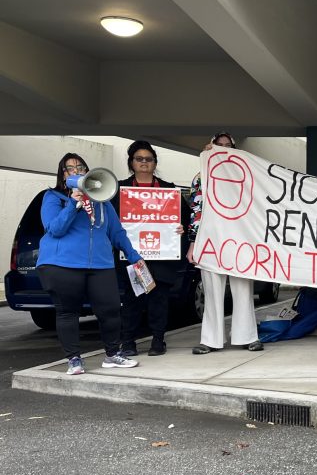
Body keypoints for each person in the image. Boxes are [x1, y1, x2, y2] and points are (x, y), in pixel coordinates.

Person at [37, 152, 142, 375]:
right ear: (63, 174)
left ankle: (113, 355)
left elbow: (117, 232)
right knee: (68, 312)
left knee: (111, 309)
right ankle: (74, 359)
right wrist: (73, 205)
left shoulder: (102, 200)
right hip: (62, 264)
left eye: (81, 167)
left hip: (100, 263)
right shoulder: (53, 197)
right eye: (70, 168)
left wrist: (134, 256)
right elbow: (55, 229)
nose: (77, 171)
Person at [186, 132, 263, 355]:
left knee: (242, 289)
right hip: (210, 239)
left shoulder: (246, 175)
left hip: (239, 239)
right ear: (210, 146)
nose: (222, 148)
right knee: (211, 290)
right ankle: (211, 339)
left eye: (227, 146)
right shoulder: (201, 177)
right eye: (218, 145)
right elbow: (196, 211)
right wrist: (193, 242)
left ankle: (247, 336)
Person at [112, 140, 186, 357]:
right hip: (133, 257)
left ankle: (157, 341)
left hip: (162, 256)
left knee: (159, 300)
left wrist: (181, 227)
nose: (144, 162)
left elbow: (187, 218)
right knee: (133, 300)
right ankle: (128, 342)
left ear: (155, 163)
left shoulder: (169, 189)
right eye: (139, 159)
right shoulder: (119, 190)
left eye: (148, 159)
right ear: (131, 163)